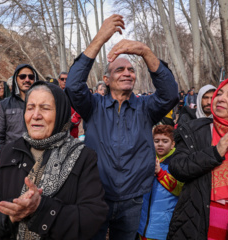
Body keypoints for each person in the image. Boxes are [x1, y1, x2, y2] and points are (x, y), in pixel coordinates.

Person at [65, 15, 178, 239]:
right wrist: (99, 39)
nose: (127, 72)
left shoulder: (146, 108)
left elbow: (170, 94)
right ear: (106, 79)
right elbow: (73, 86)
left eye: (131, 69)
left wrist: (145, 51)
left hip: (134, 198)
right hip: (96, 196)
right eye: (119, 70)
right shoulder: (93, 106)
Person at [0, 81, 108, 239]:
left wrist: (41, 208)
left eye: (45, 108)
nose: (35, 115)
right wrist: (11, 213)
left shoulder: (83, 156)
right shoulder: (9, 152)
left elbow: (93, 217)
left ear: (61, 113)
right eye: (30, 108)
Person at [167, 76, 228, 239]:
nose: (220, 98)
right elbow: (177, 167)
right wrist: (214, 153)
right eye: (220, 93)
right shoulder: (195, 129)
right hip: (198, 221)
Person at [138, 125, 182, 240]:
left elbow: (179, 189)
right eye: (156, 141)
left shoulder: (177, 162)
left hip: (163, 227)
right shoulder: (147, 158)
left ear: (173, 144)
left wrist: (160, 173)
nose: (160, 144)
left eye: (165, 141)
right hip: (142, 224)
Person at [0, 64, 38, 148]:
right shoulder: (5, 104)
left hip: (37, 154)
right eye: (22, 76)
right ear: (16, 79)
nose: (27, 80)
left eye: (31, 77)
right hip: (13, 155)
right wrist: (3, 155)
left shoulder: (42, 104)